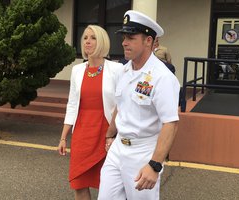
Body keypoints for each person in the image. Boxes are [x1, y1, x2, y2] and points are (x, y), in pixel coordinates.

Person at [98, 10, 180, 200]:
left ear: (148, 41)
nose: (124, 42)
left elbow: (170, 123)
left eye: (131, 38)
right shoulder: (123, 71)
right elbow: (120, 106)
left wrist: (155, 165)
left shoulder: (163, 78)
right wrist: (110, 134)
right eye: (124, 37)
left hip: (143, 152)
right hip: (118, 149)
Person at [57, 25, 123, 200]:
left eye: (93, 37)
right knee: (78, 184)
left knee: (108, 187)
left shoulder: (116, 70)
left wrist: (114, 133)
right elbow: (72, 104)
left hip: (106, 134)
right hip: (82, 134)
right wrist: (64, 137)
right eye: (85, 37)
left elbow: (121, 104)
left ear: (101, 42)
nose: (87, 41)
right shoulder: (77, 70)